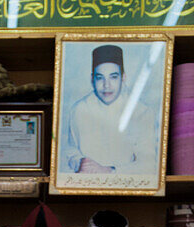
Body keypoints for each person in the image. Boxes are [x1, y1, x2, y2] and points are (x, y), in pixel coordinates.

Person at [64, 44, 159, 177]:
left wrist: (110, 171)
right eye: (100, 77)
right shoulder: (79, 109)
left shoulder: (142, 112)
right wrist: (80, 162)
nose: (106, 85)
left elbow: (149, 166)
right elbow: (71, 151)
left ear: (123, 77)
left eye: (113, 77)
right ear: (92, 79)